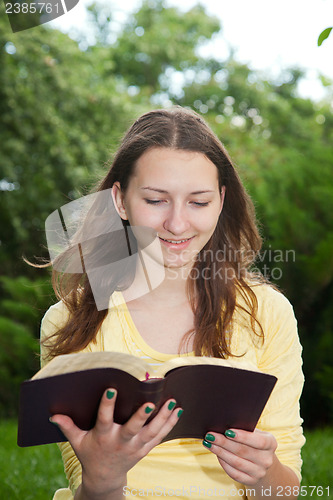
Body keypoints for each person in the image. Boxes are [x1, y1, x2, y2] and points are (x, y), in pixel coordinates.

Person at [40, 107, 305, 500]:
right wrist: (104, 478)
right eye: (155, 200)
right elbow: (88, 488)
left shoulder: (267, 312)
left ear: (220, 200)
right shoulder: (72, 321)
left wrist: (263, 475)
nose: (177, 224)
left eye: (198, 202)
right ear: (120, 200)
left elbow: (287, 492)